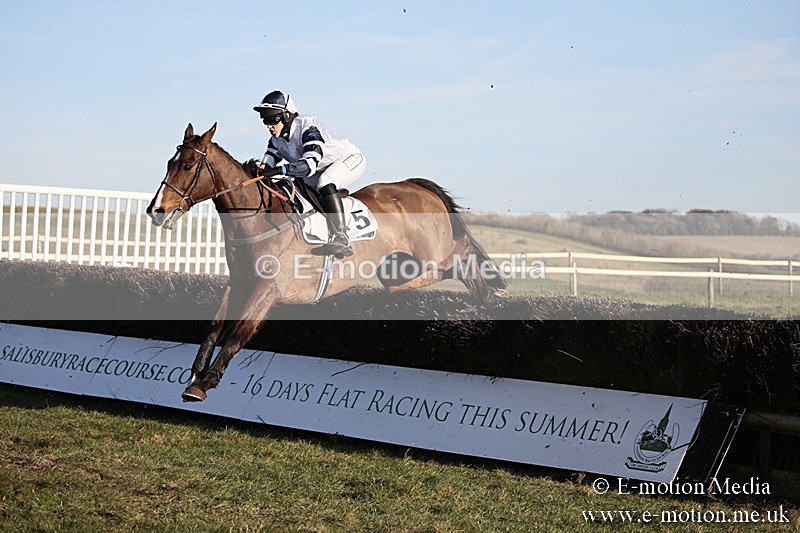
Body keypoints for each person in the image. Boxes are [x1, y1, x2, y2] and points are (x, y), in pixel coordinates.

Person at [251, 90, 366, 257]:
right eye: (265, 120)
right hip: (319, 168)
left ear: (287, 116)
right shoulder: (276, 139)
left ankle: (341, 236)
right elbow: (265, 167)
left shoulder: (307, 127)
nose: (269, 125)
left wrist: (279, 170)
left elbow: (308, 166)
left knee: (326, 182)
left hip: (348, 159)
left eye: (272, 119)